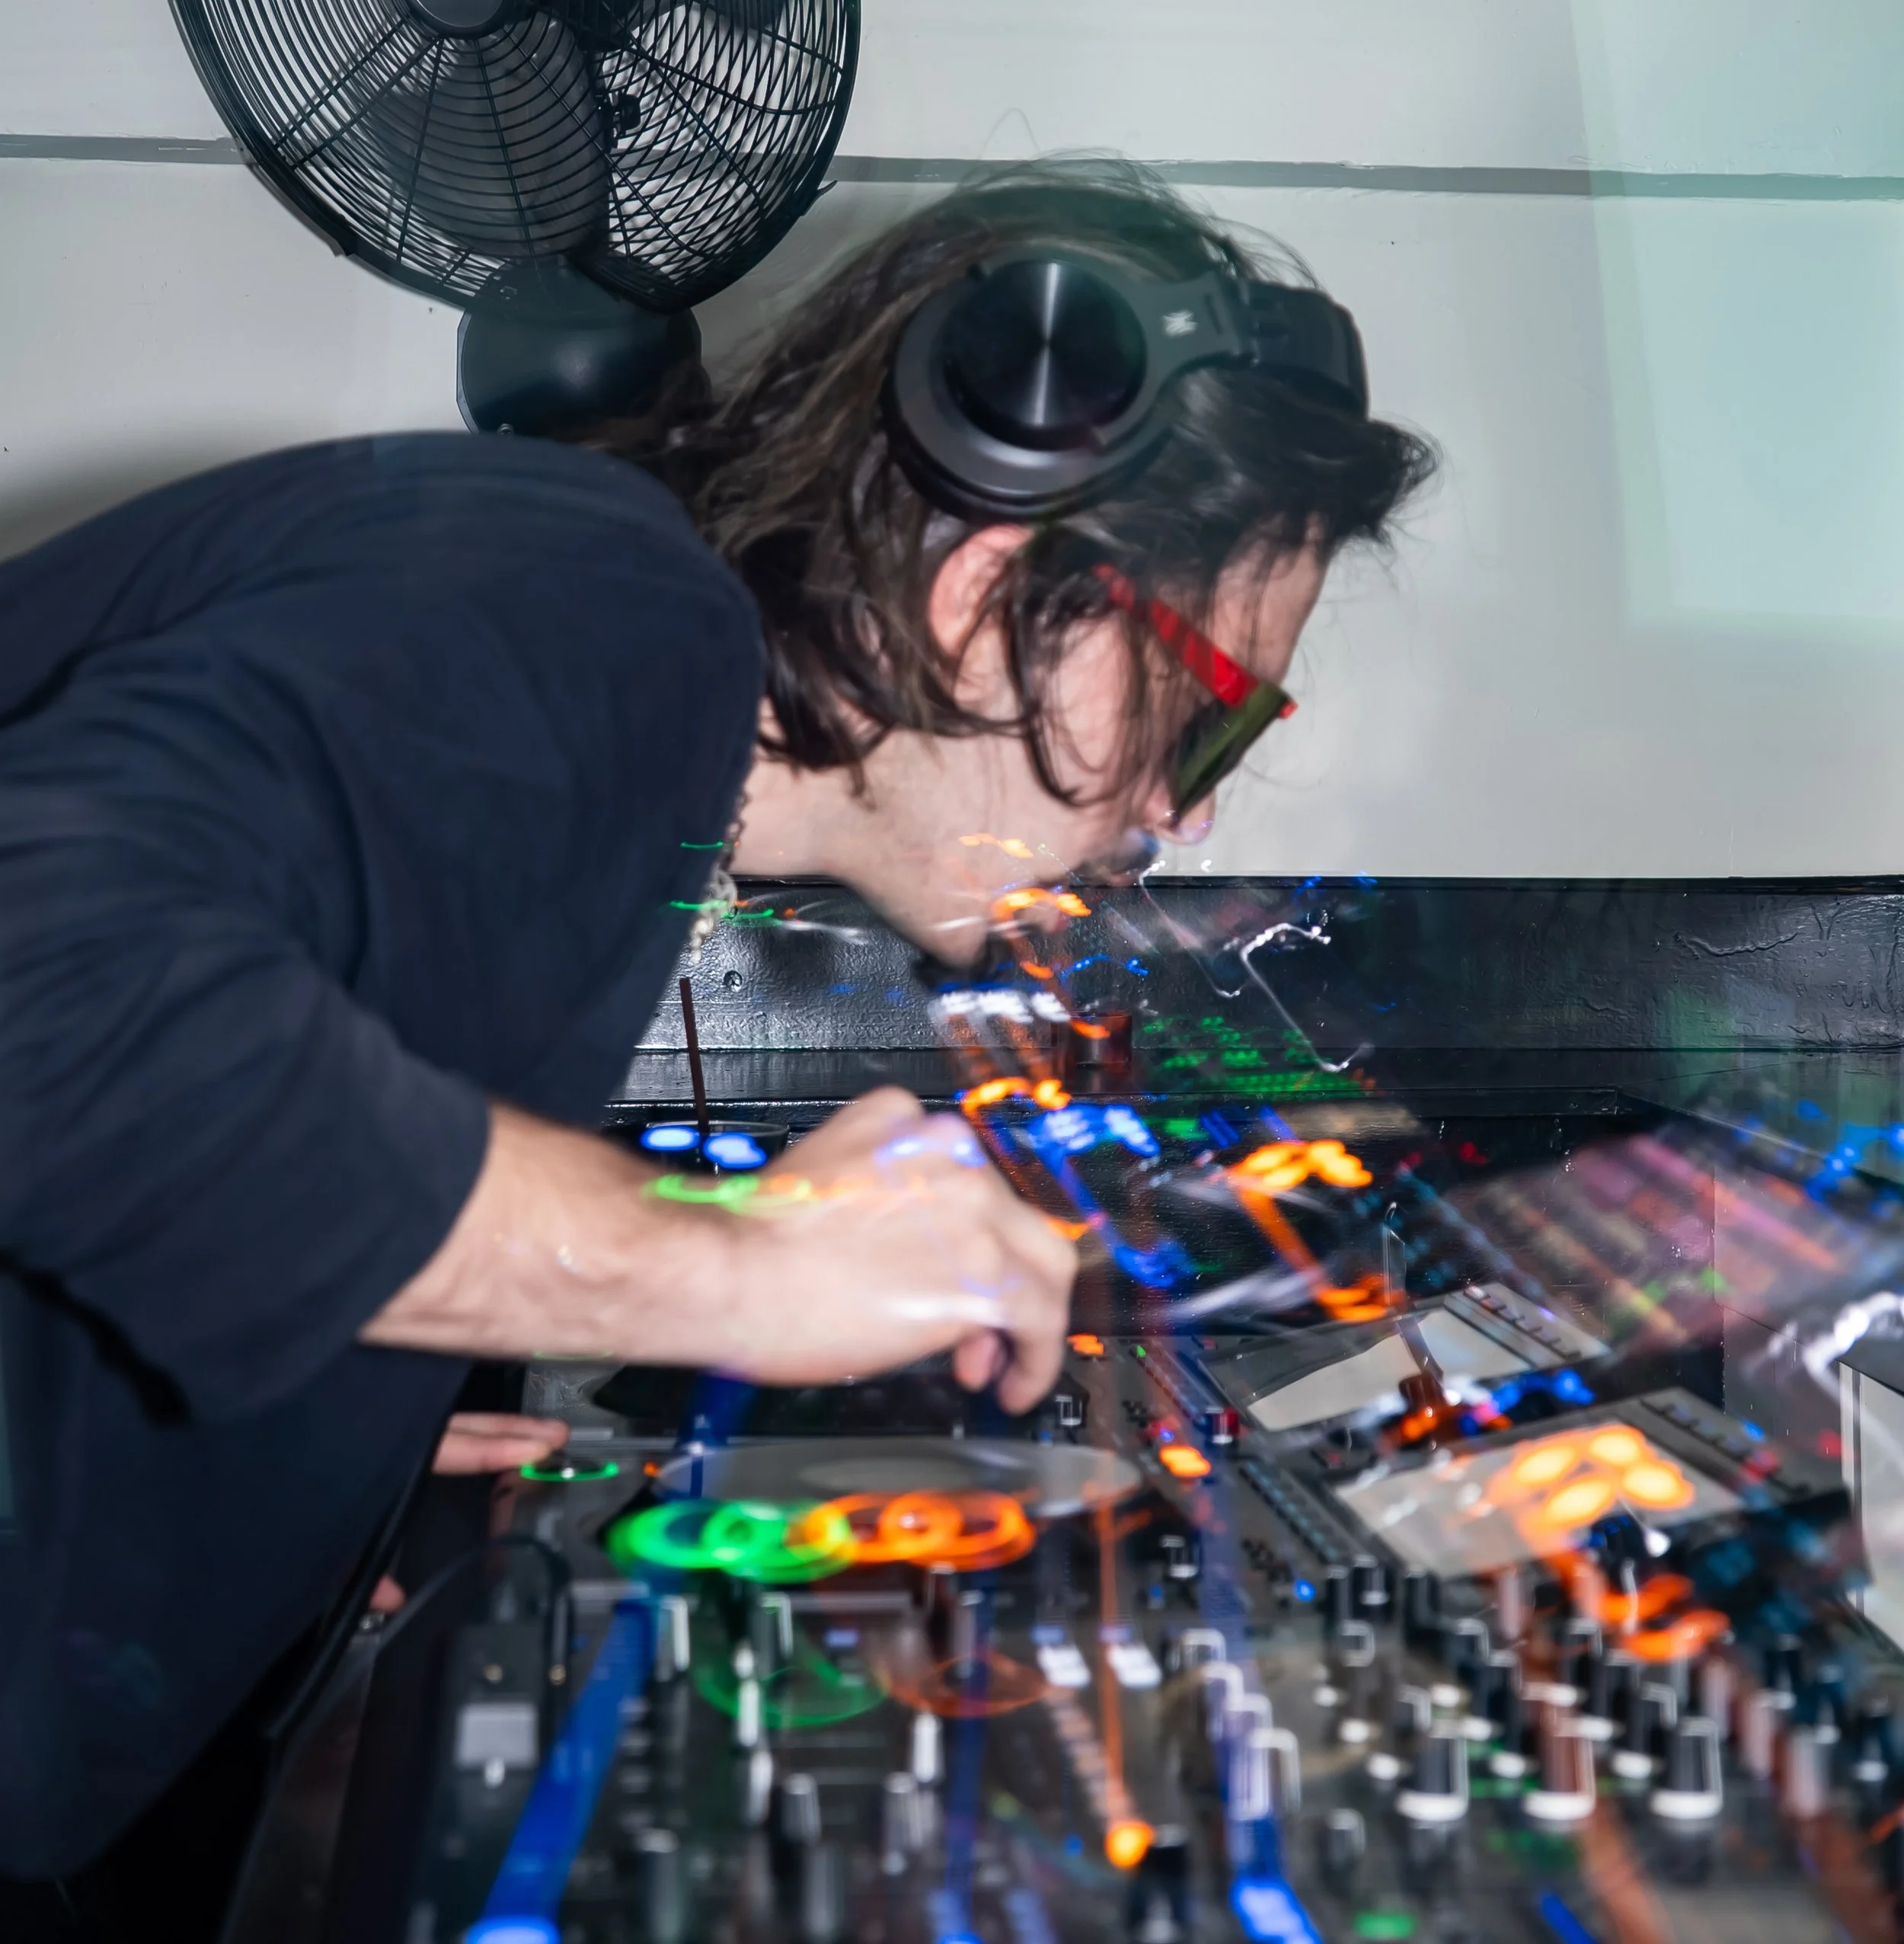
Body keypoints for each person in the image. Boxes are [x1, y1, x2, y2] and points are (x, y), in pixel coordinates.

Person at [0, 161, 1431, 1933]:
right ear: (992, 599)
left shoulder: (595, 679)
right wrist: (689, 1270)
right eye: (1205, 716)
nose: (1177, 815)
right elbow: (40, 965)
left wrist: (332, 1402)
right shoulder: (595, 607)